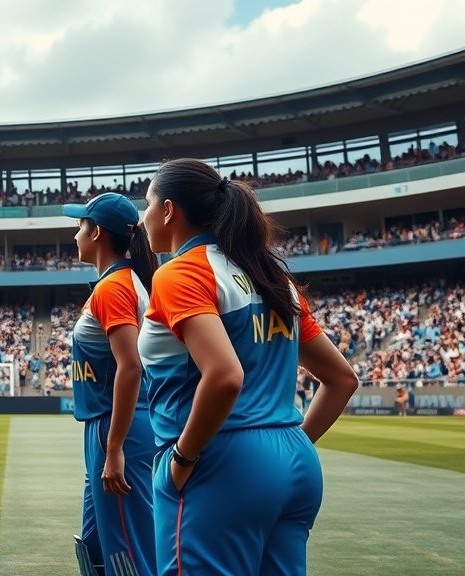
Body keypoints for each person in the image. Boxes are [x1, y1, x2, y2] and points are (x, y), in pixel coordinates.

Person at [138, 158, 359, 576]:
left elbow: (225, 376)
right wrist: (290, 445)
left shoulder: (180, 273)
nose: (142, 218)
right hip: (294, 460)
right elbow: (342, 379)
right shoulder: (271, 275)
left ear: (168, 210)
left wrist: (182, 458)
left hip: (218, 461)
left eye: (146, 205)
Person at [62, 193, 158, 576]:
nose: (75, 236)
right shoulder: (116, 283)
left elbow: (130, 366)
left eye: (80, 226)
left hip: (117, 426)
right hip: (109, 424)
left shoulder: (114, 287)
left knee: (127, 550)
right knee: (97, 543)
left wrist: (114, 446)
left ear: (97, 232)